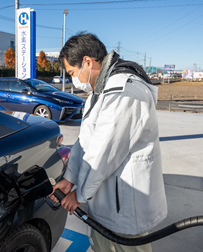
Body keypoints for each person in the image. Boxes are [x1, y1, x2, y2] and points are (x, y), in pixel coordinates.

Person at [49, 33, 167, 252]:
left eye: (73, 73)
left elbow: (104, 153)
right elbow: (85, 142)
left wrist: (80, 194)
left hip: (125, 206)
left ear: (87, 62)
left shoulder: (125, 91)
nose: (74, 79)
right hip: (108, 201)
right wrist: (70, 179)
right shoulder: (101, 91)